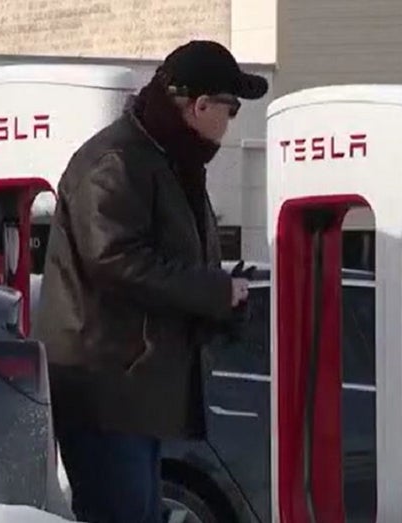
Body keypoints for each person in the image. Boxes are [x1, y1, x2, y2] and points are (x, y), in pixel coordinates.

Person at [34, 40, 268, 523]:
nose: (230, 122)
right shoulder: (119, 161)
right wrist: (213, 291)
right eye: (231, 108)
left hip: (132, 390)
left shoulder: (166, 160)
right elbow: (114, 258)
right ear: (201, 106)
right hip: (106, 390)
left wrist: (220, 298)